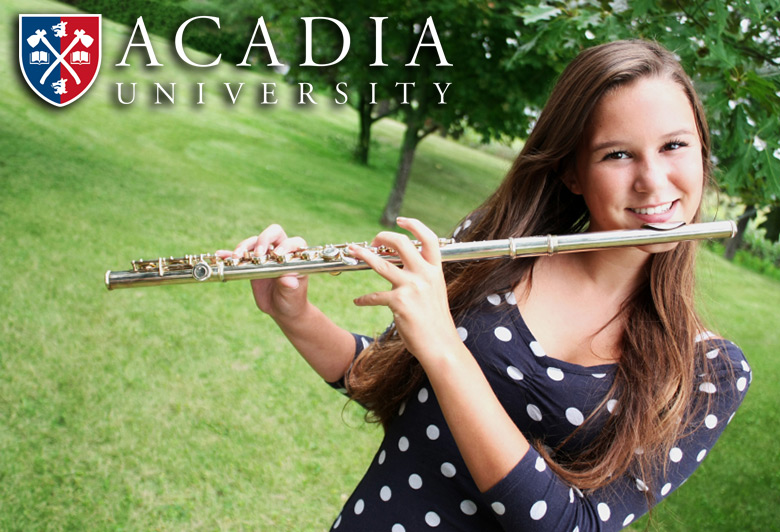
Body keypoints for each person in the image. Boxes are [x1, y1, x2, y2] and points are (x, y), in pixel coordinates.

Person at [218, 40, 751, 531]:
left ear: (702, 151)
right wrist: (295, 314)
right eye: (617, 154)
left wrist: (446, 349)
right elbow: (384, 377)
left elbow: (571, 525)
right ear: (572, 172)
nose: (653, 181)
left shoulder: (710, 372)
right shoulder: (495, 247)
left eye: (674, 146)